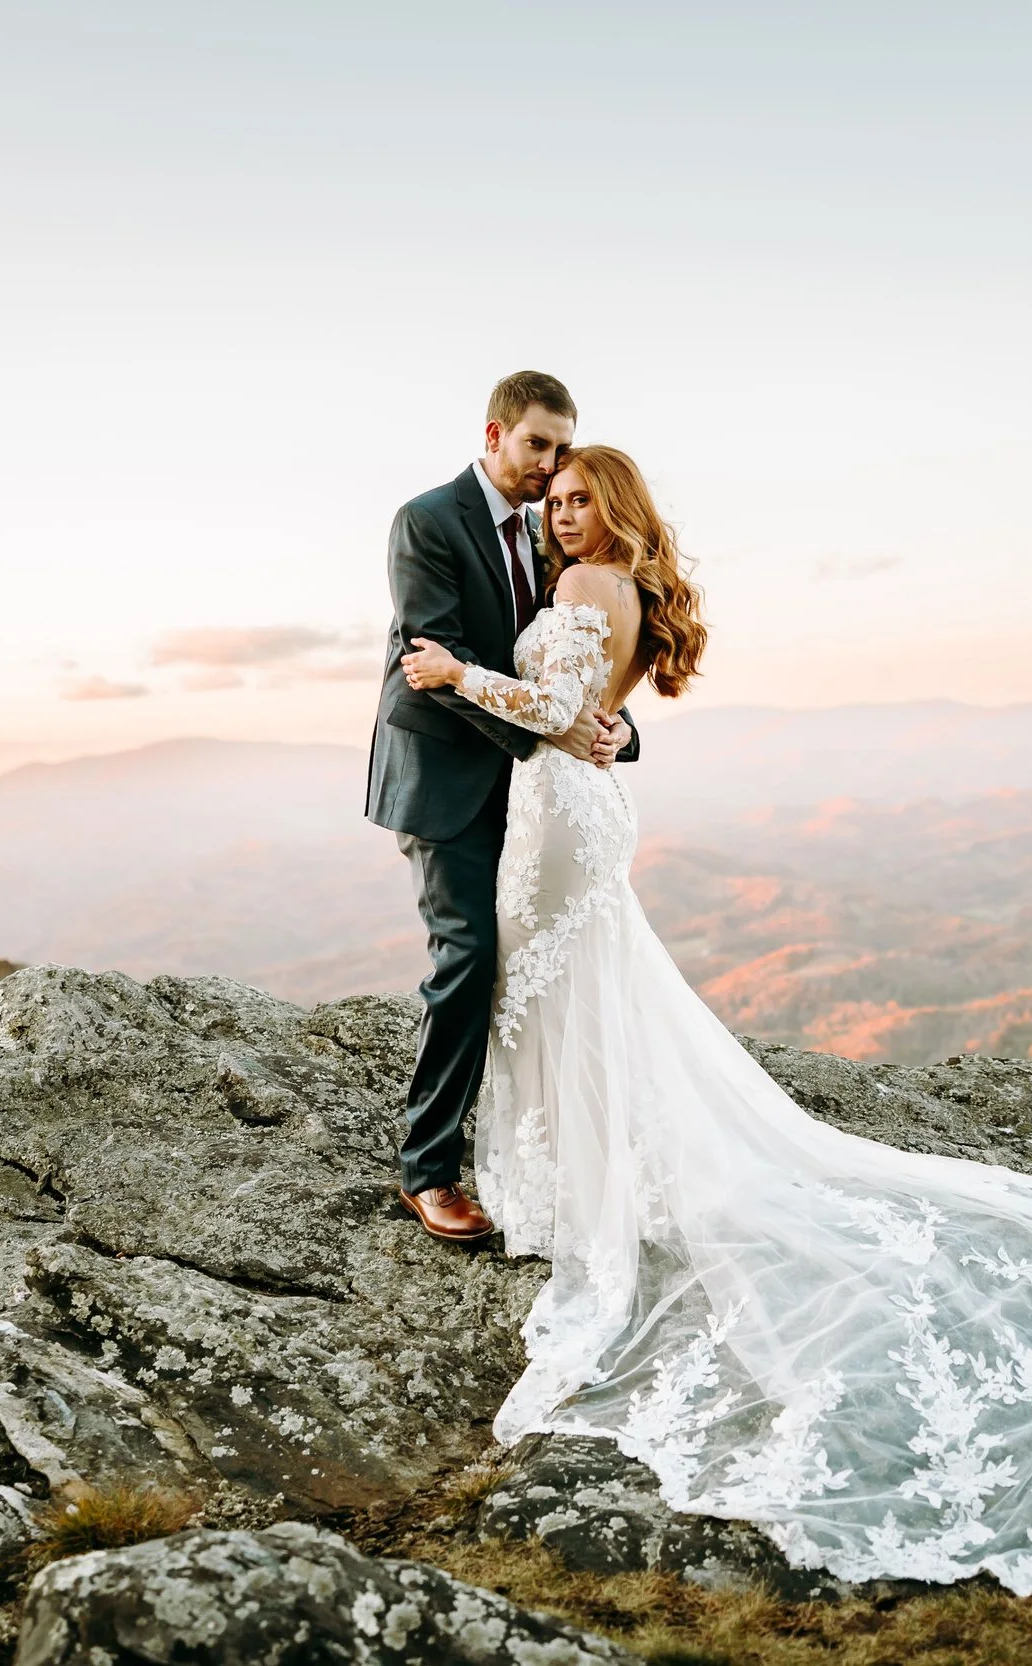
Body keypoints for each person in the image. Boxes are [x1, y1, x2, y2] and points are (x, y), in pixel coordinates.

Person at [395, 445, 1032, 1637]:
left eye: (580, 500)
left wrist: (459, 670)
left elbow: (567, 716)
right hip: (580, 813)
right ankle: (581, 1174)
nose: (562, 515)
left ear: (612, 510)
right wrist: (565, 715)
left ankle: (577, 1188)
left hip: (562, 818)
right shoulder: (616, 587)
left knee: (559, 993)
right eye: (554, 499)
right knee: (577, 996)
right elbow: (601, 717)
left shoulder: (581, 587)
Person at [365, 371, 634, 1244]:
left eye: (559, 450)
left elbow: (573, 670)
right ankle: (428, 1170)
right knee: (469, 957)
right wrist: (553, 737)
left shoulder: (554, 532)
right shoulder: (428, 521)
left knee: (539, 967)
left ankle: (543, 1155)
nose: (548, 466)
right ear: (494, 433)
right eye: (535, 445)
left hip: (530, 793)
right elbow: (432, 661)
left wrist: (613, 733)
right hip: (446, 778)